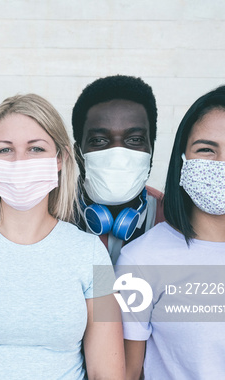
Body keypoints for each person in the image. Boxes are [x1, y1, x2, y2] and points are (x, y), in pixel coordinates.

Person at [0, 94, 124, 379]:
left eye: (35, 149)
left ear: (60, 159)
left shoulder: (94, 252)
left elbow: (108, 372)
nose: (20, 161)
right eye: (5, 150)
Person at [118, 85, 225, 379]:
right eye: (206, 149)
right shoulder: (137, 260)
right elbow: (125, 373)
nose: (224, 163)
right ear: (182, 160)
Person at [72, 75, 165, 263]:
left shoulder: (172, 217)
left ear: (151, 152)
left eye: (135, 140)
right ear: (77, 153)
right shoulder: (50, 216)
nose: (117, 155)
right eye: (98, 140)